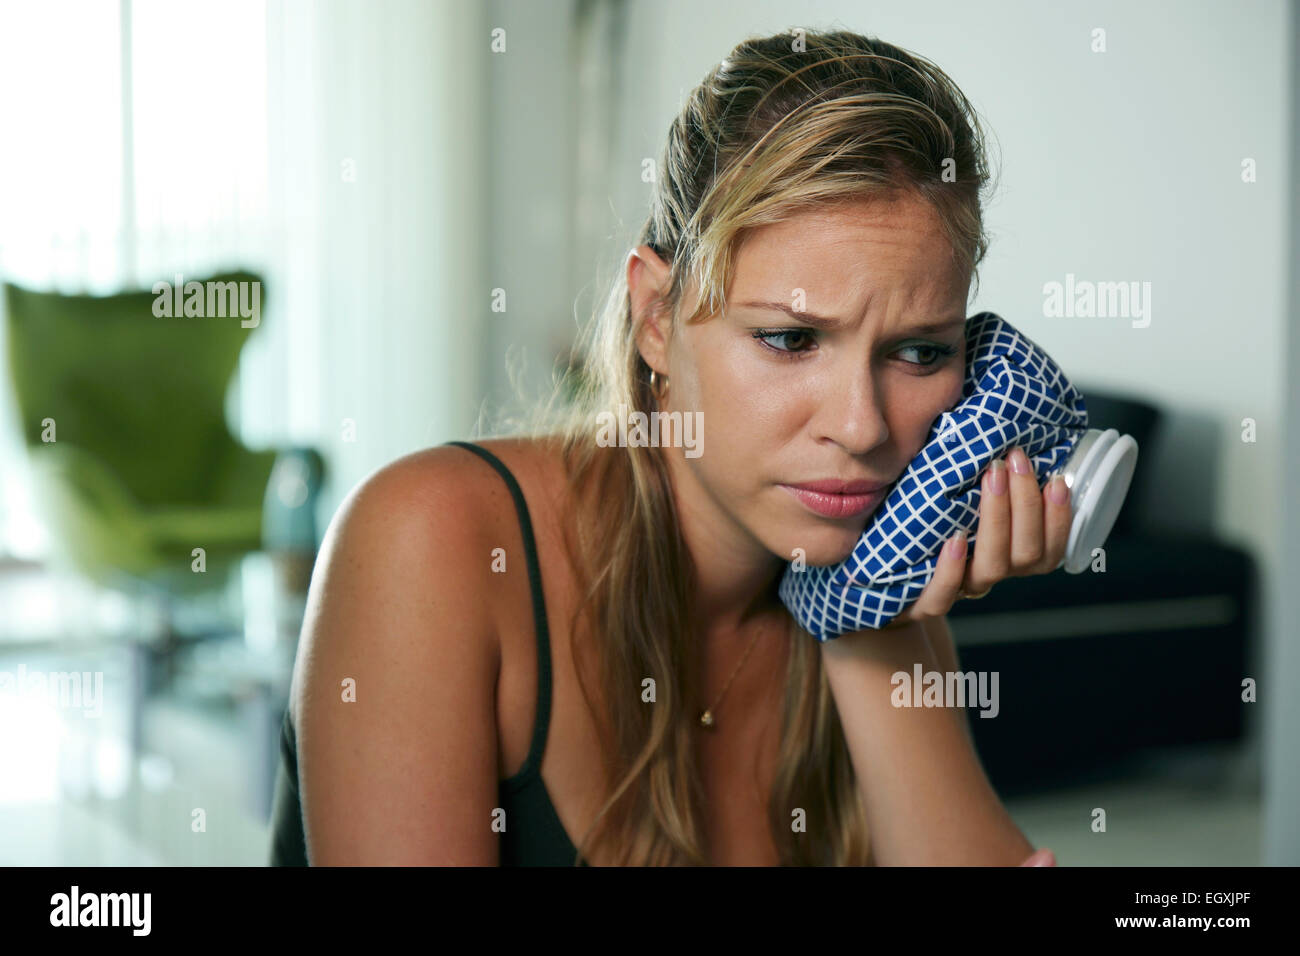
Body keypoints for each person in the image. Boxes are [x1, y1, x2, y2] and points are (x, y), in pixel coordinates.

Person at [269, 28, 1069, 866]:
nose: (863, 426)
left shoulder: (876, 596)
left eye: (919, 352)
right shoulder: (430, 542)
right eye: (792, 340)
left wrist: (869, 619)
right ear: (657, 318)